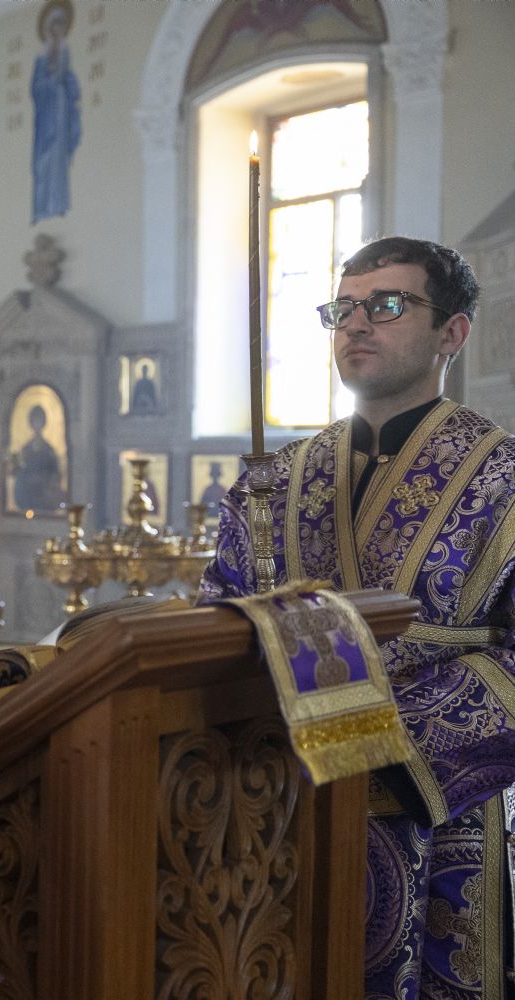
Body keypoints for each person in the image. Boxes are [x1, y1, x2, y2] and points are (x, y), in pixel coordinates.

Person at [199, 236, 515, 998]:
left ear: (452, 332)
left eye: (386, 305)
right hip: (278, 804)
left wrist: (383, 741)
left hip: (434, 815)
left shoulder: (504, 478)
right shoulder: (273, 483)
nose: (356, 324)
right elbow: (217, 621)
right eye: (341, 309)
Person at [30, 0, 81, 224]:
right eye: (55, 24)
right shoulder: (41, 58)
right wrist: (51, 84)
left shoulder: (65, 53)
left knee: (59, 161)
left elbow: (70, 80)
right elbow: (36, 87)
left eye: (61, 24)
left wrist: (71, 91)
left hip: (61, 114)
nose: (58, 28)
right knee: (43, 162)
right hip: (45, 118)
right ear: (48, 27)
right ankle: (41, 208)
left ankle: (58, 205)